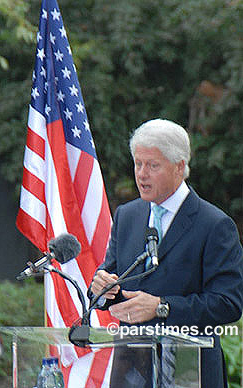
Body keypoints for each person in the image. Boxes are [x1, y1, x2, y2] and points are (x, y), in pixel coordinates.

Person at [89, 118, 243, 388]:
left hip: (189, 372)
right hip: (131, 371)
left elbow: (228, 304)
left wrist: (162, 307)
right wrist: (101, 288)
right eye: (138, 163)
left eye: (153, 165)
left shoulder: (215, 225)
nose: (142, 174)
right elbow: (112, 283)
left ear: (179, 167)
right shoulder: (127, 216)